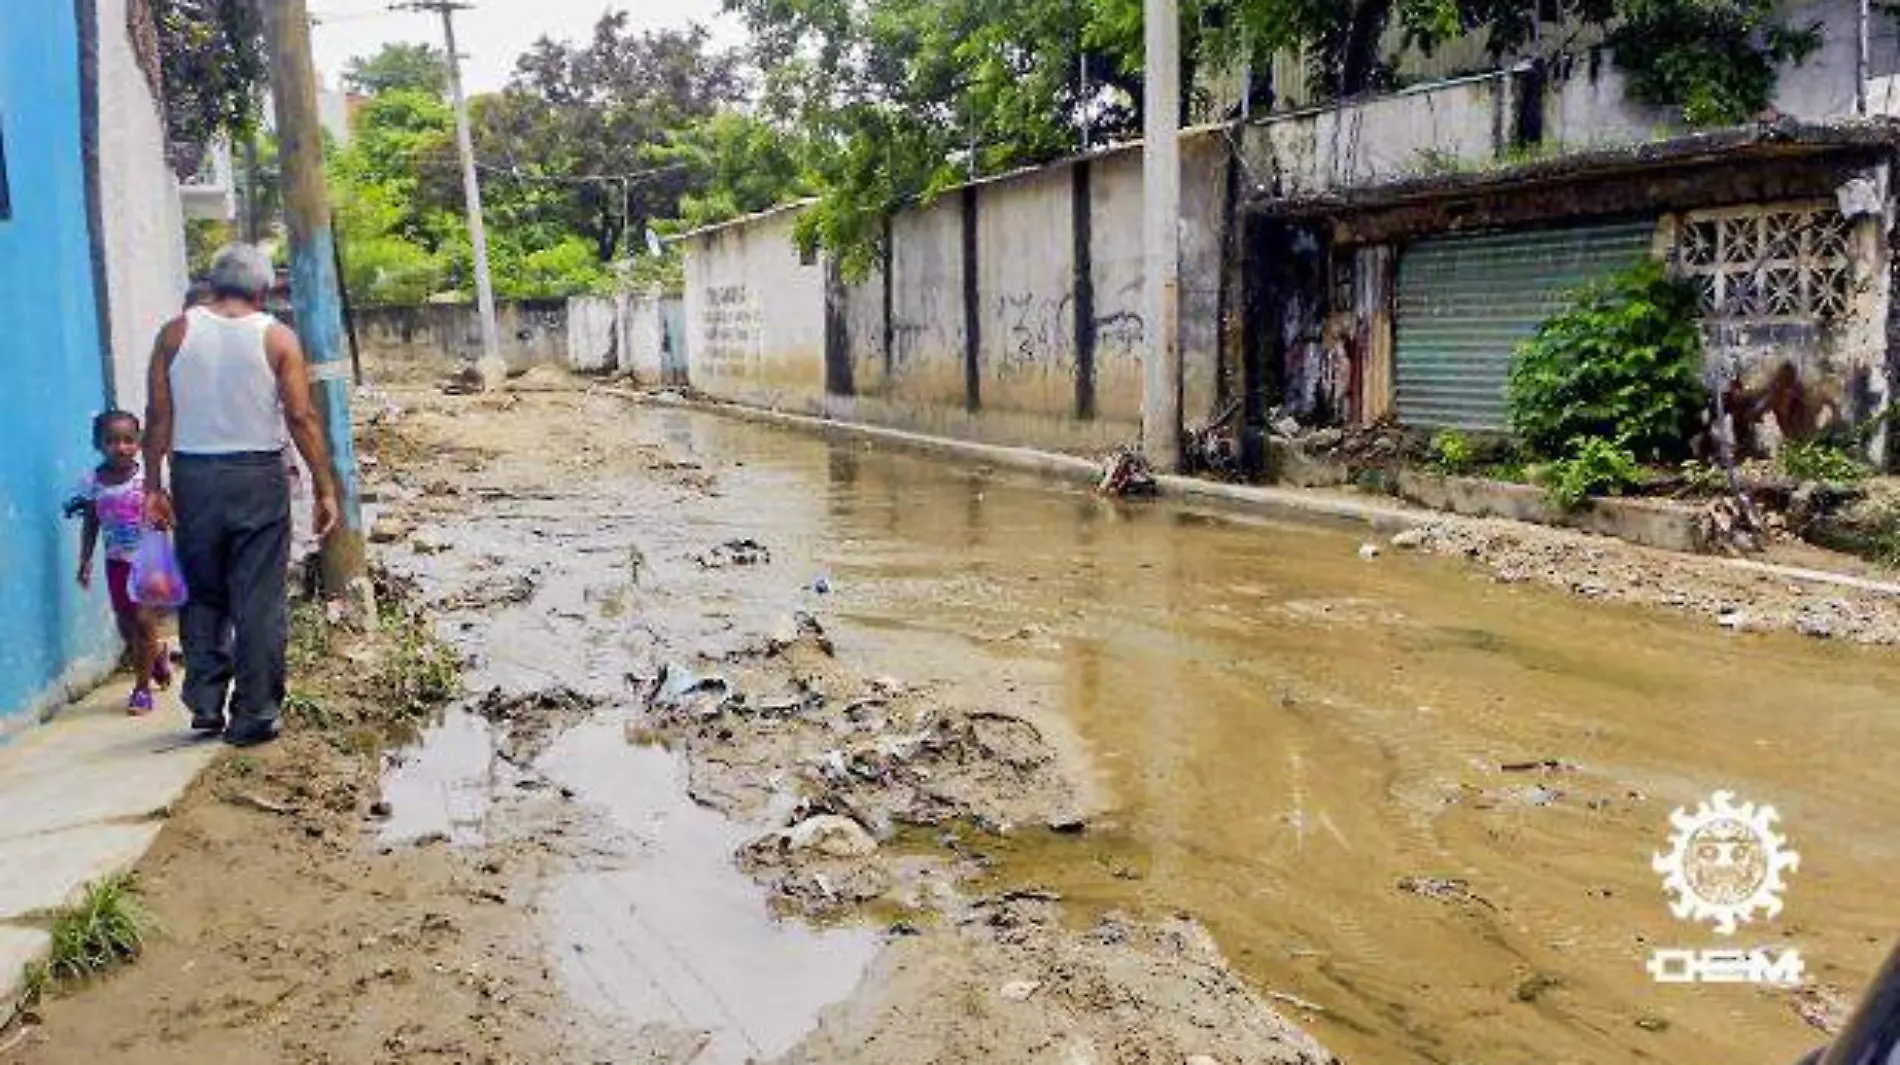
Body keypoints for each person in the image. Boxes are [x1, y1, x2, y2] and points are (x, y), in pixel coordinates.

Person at [143, 244, 339, 747]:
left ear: (212, 284)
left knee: (204, 591)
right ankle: (254, 713)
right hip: (256, 475)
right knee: (257, 599)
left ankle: (206, 702)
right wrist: (324, 486)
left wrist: (153, 486)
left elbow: (158, 417)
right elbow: (301, 417)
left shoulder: (175, 333)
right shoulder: (277, 338)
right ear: (264, 288)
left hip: (193, 476)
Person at [72, 410, 173, 714]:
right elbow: (91, 521)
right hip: (116, 562)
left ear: (138, 442)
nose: (121, 447)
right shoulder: (93, 482)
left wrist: (169, 523)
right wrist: (85, 559)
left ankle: (142, 691)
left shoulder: (148, 477)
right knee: (127, 627)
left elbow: (168, 509)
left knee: (144, 620)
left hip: (149, 558)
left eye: (128, 440)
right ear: (98, 444)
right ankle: (156, 657)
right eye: (112, 441)